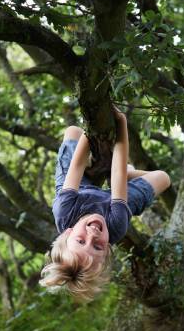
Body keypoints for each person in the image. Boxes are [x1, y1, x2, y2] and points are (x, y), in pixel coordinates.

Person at [39, 107, 171, 302]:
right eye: (98, 247)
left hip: (79, 186)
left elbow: (75, 166)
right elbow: (117, 172)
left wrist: (90, 129)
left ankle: (95, 167)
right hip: (112, 201)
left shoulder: (64, 211)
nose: (93, 235)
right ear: (108, 247)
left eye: (81, 241)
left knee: (73, 132)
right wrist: (121, 123)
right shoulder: (116, 225)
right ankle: (125, 173)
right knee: (163, 178)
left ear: (68, 233)